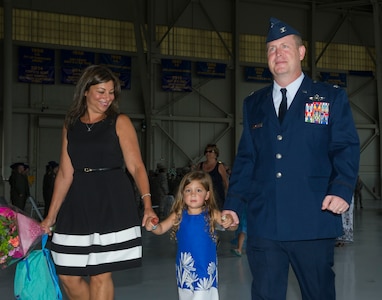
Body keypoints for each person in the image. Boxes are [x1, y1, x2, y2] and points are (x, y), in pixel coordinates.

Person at [223, 17, 360, 300]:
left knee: (318, 294)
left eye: (285, 47)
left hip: (312, 219)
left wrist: (342, 188)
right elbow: (247, 158)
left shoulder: (329, 98)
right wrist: (234, 204)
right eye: (272, 49)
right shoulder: (254, 104)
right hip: (265, 223)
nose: (278, 54)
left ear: (301, 53)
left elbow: (345, 146)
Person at [40, 65, 157, 300]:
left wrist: (147, 204)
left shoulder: (119, 121)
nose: (108, 98)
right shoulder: (70, 124)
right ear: (85, 90)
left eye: (111, 92)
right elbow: (65, 172)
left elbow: (136, 166)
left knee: (100, 273)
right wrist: (50, 216)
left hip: (112, 197)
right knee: (66, 273)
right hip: (78, 199)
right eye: (101, 91)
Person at [145, 170, 237, 300]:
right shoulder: (178, 214)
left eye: (199, 190)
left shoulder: (211, 214)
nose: (193, 194)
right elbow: (160, 229)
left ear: (207, 195)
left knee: (202, 295)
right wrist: (153, 225)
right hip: (185, 269)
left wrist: (228, 220)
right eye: (188, 190)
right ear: (182, 194)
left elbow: (231, 225)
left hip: (204, 268)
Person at [197, 144, 229, 210]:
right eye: (206, 152)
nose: (208, 153)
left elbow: (225, 182)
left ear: (216, 154)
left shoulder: (220, 166)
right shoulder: (200, 166)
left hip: (217, 197)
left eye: (210, 151)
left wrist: (229, 196)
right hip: (204, 196)